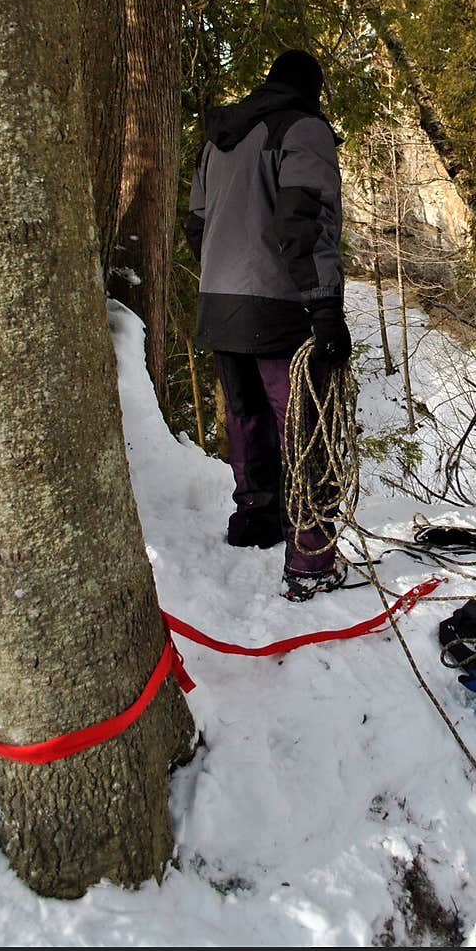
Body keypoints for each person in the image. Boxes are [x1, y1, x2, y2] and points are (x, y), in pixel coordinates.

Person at [184, 48, 352, 602]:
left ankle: (256, 519)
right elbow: (305, 224)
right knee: (307, 424)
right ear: (312, 88)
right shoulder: (303, 129)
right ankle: (311, 560)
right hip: (279, 305)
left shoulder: (220, 138)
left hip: (219, 301)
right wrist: (325, 305)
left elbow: (197, 225)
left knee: (247, 414)